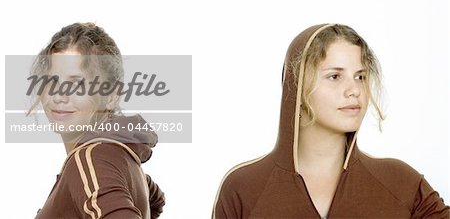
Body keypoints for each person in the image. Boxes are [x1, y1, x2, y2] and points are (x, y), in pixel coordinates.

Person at [213, 23, 449, 218]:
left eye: (360, 76)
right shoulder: (243, 188)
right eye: (335, 76)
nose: (354, 90)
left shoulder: (400, 182)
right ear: (297, 87)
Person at [30, 23, 165, 218]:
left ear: (111, 96)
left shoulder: (88, 160)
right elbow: (156, 199)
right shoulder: (112, 159)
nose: (59, 95)